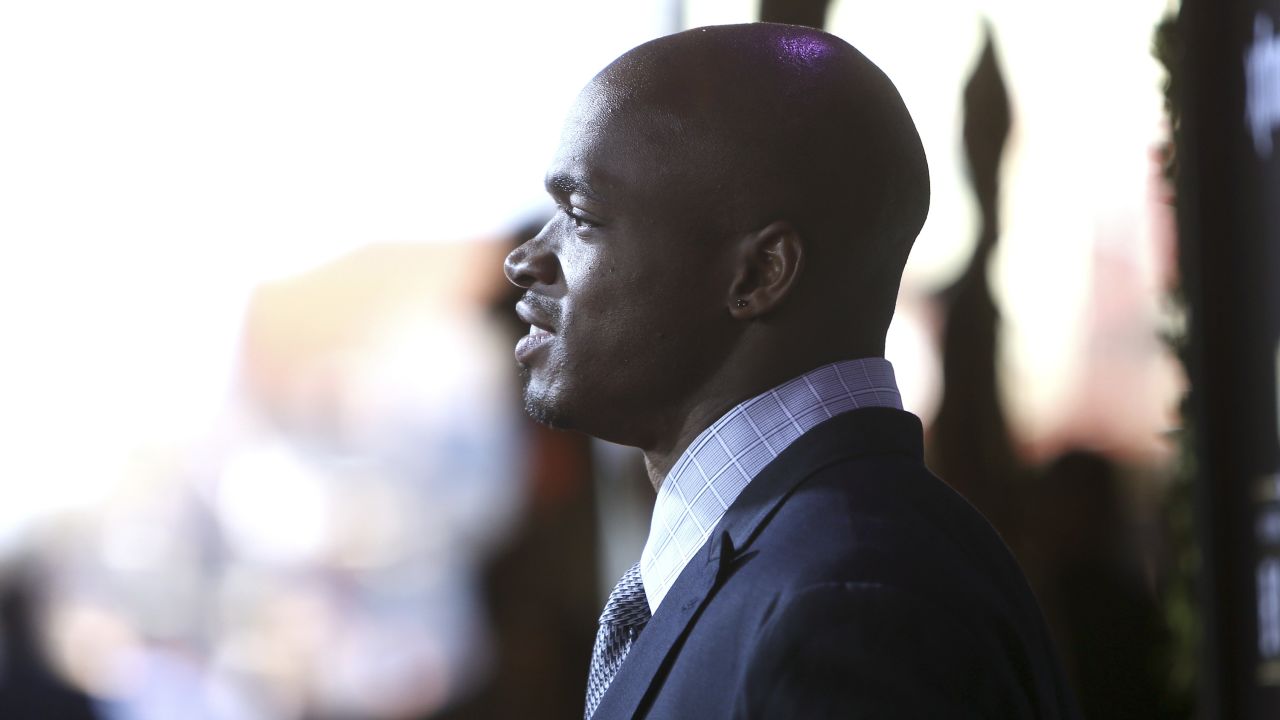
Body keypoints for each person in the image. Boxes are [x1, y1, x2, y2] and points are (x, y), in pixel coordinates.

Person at [503, 22, 1079, 719]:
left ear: (760, 273)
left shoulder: (849, 607)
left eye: (582, 215)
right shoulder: (822, 566)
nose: (527, 259)